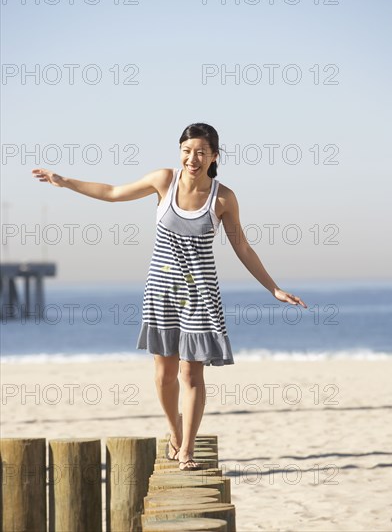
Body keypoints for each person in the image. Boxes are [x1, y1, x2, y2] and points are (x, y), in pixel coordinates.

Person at [32, 122, 307, 471]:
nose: (193, 158)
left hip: (200, 294)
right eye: (187, 150)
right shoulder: (163, 180)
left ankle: (187, 449)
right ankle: (174, 429)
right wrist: (66, 181)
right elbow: (113, 192)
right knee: (164, 375)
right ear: (181, 152)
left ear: (214, 157)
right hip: (161, 291)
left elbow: (243, 247)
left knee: (192, 375)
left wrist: (273, 287)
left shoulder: (223, 198)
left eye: (201, 152)